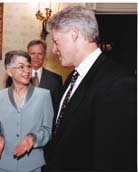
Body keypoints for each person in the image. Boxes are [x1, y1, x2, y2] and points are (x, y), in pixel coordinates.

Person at [47, 6, 136, 171]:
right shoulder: (72, 78)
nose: (53, 50)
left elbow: (114, 159)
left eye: (56, 41)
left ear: (74, 34)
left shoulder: (118, 82)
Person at [0, 50, 54, 172]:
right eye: (21, 67)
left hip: (31, 165)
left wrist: (32, 138)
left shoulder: (44, 96)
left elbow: (48, 130)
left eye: (29, 66)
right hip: (1, 163)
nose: (27, 71)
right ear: (9, 71)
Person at [6, 40, 63, 115]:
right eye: (32, 53)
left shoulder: (56, 79)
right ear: (27, 55)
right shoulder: (16, 76)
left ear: (44, 55)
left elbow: (58, 108)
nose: (36, 57)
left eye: (40, 53)